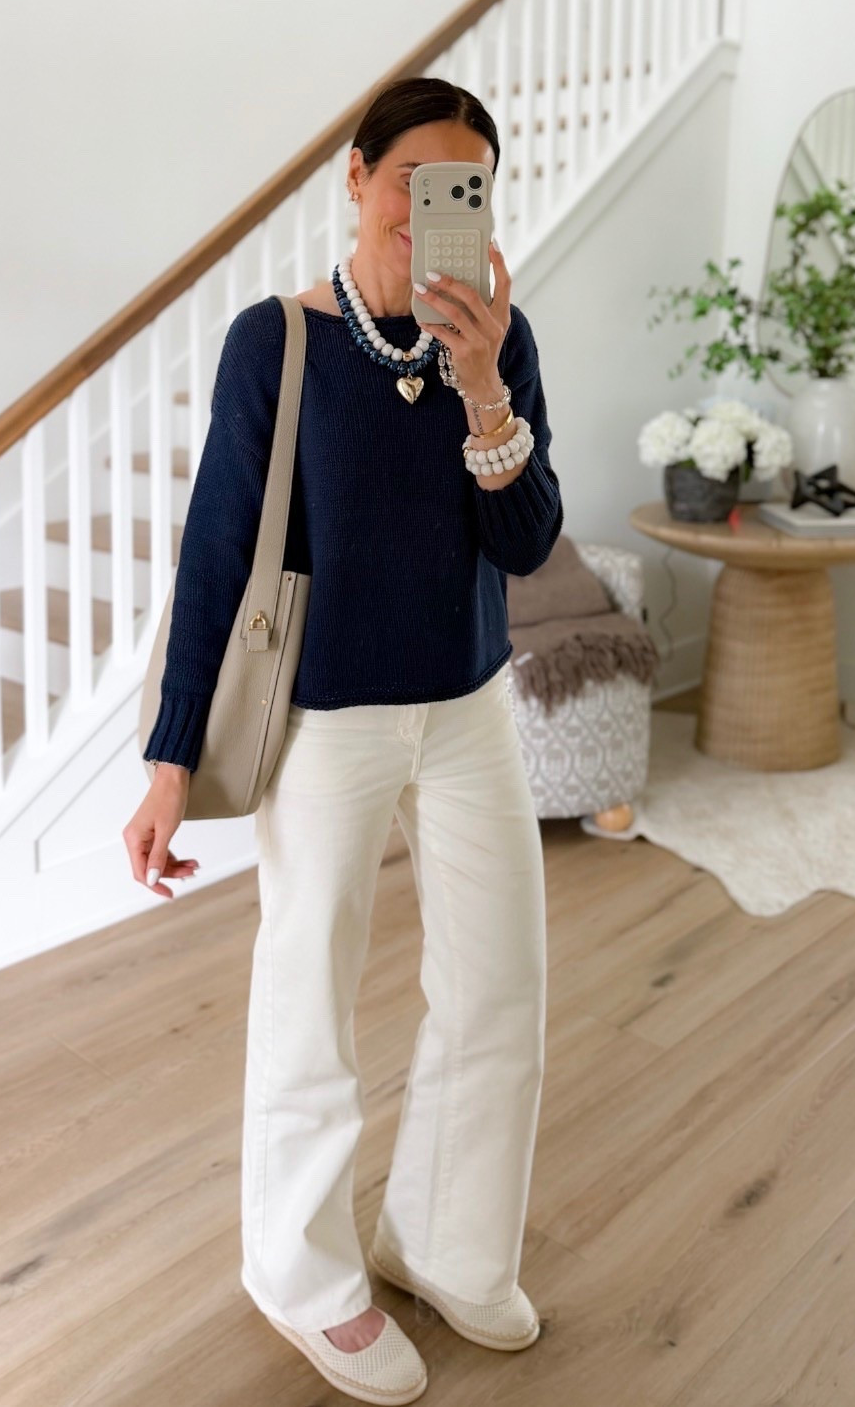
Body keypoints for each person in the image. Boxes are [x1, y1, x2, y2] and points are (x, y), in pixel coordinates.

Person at [122, 75, 563, 1403]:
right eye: (418, 178)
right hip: (327, 721)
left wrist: (486, 387)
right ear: (360, 180)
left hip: (473, 704)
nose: (437, 205)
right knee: (309, 1000)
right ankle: (301, 1270)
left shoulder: (501, 335)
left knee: (499, 989)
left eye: (467, 185)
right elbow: (217, 555)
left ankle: (444, 1241)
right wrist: (167, 754)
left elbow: (529, 538)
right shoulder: (281, 342)